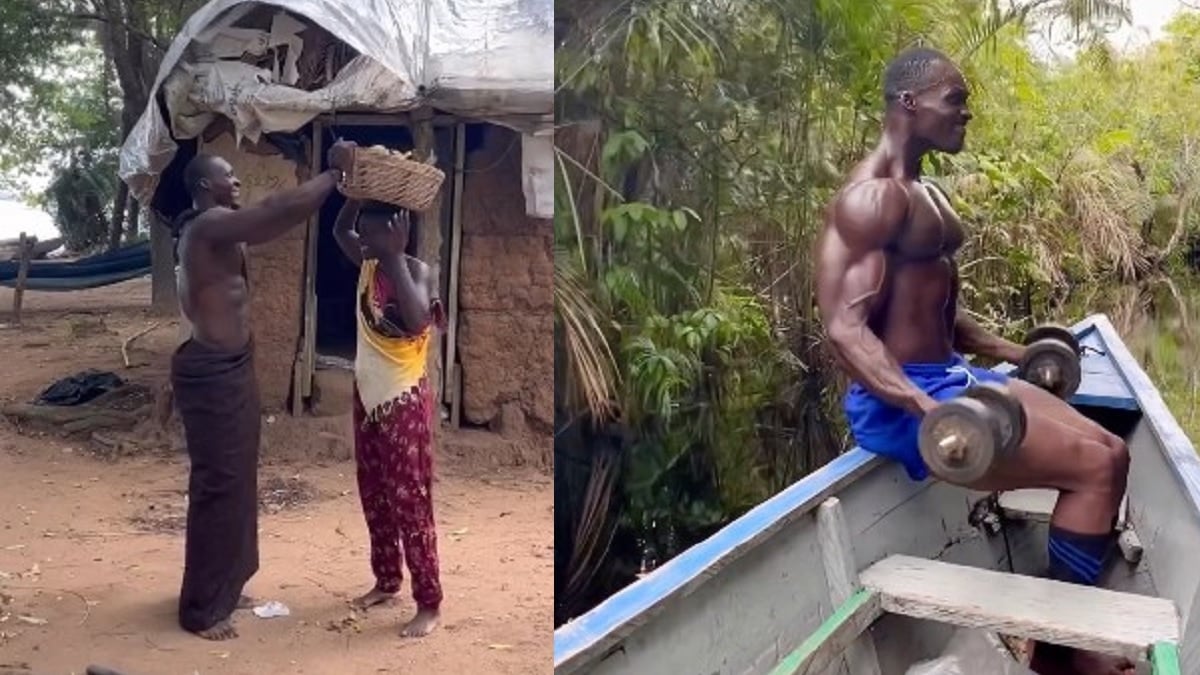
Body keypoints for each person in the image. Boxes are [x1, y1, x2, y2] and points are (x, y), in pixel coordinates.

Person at [815, 47, 1133, 675]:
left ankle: (1055, 642)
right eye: (954, 99)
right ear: (909, 103)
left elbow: (931, 309)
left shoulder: (923, 191)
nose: (966, 113)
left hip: (954, 381)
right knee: (1096, 471)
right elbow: (845, 331)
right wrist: (927, 407)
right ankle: (1061, 655)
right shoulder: (869, 200)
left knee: (1114, 451)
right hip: (903, 403)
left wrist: (1017, 353)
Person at [170, 139, 356, 640]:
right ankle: (202, 610)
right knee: (219, 485)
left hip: (229, 366)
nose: (236, 181)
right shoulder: (207, 225)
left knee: (237, 480)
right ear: (205, 185)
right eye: (228, 175)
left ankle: (226, 585)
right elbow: (276, 209)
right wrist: (332, 175)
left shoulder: (219, 229)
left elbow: (273, 220)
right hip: (213, 370)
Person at [332, 197, 444, 637]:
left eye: (375, 235)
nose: (365, 240)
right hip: (369, 397)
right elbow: (340, 233)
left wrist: (395, 256)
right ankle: (386, 579)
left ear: (399, 234)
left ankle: (429, 602)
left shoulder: (415, 271)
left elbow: (418, 321)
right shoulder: (368, 263)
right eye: (367, 233)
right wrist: (354, 198)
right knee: (374, 492)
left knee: (411, 502)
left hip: (403, 403)